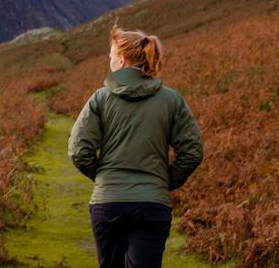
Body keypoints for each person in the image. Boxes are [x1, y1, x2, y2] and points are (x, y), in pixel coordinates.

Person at [67, 19, 204, 268]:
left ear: (122, 60)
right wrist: (165, 180)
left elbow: (78, 150)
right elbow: (192, 151)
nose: (108, 61)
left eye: (111, 55)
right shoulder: (171, 100)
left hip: (108, 203)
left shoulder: (100, 98)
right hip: (152, 203)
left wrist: (102, 176)